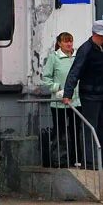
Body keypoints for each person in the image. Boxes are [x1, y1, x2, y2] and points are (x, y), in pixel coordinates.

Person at [61, 20, 103, 168]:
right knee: (90, 128)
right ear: (97, 34)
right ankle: (89, 161)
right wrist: (67, 93)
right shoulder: (86, 49)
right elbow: (75, 72)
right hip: (90, 96)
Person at [41, 32, 79, 161]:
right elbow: (46, 77)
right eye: (66, 41)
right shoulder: (54, 57)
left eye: (71, 41)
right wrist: (56, 88)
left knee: (76, 131)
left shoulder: (77, 56)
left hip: (76, 101)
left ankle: (76, 158)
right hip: (59, 102)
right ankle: (60, 159)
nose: (69, 44)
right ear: (59, 43)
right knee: (60, 131)